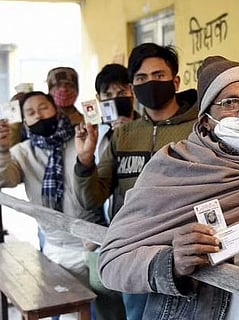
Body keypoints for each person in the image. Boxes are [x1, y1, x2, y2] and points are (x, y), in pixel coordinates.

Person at [97, 55, 239, 319]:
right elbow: (111, 263)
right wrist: (173, 262)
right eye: (230, 102)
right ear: (206, 119)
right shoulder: (172, 168)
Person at [74, 43, 198, 320]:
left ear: (175, 81)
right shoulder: (124, 135)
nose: (150, 83)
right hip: (136, 256)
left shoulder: (198, 130)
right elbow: (94, 196)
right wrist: (84, 160)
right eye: (141, 78)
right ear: (133, 85)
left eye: (159, 75)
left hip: (186, 253)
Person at [0, 91, 104, 299]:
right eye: (30, 112)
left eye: (43, 108)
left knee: (106, 310)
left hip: (96, 243)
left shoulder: (82, 138)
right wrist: (2, 150)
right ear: (25, 121)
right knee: (65, 308)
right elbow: (6, 179)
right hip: (58, 247)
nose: (38, 115)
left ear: (55, 109)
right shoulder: (22, 152)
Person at [86, 63, 140, 320]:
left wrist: (129, 135)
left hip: (136, 240)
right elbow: (89, 189)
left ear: (132, 93)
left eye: (121, 92)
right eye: (108, 95)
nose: (115, 99)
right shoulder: (95, 135)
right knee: (107, 308)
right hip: (103, 235)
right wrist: (91, 229)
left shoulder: (146, 130)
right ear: (99, 100)